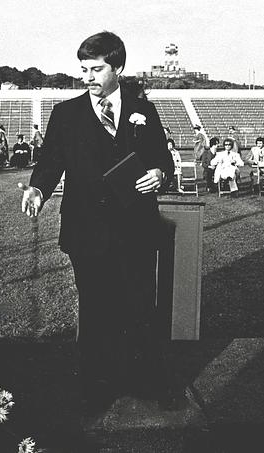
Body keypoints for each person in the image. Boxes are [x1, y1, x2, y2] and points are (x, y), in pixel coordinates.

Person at [19, 31, 180, 415]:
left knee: (140, 305)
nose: (87, 77)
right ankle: (95, 386)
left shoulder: (145, 110)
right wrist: (39, 191)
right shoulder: (65, 114)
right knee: (96, 308)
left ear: (118, 68)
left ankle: (146, 380)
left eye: (96, 69)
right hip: (86, 231)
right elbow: (49, 164)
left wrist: (160, 173)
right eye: (83, 69)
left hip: (137, 228)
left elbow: (163, 159)